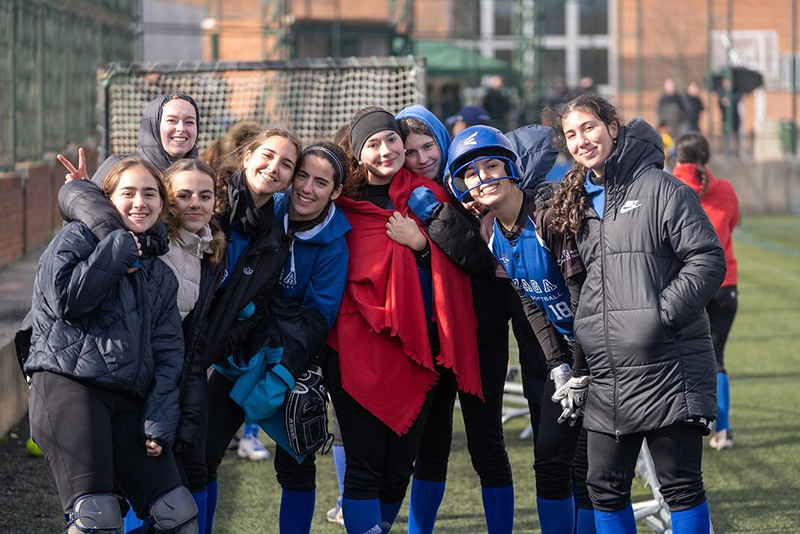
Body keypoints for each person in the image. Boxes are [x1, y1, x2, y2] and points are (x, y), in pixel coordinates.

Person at [545, 93, 726, 533]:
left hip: (668, 368)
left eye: (589, 127)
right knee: (603, 487)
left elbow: (707, 259)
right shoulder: (577, 201)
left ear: (612, 127)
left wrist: (658, 317)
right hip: (608, 376)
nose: (582, 140)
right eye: (571, 134)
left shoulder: (662, 188)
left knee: (680, 486)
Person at [327, 106, 482, 534]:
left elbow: (465, 263)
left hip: (416, 349)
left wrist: (422, 246)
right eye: (373, 145)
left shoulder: (429, 196)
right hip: (354, 348)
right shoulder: (341, 203)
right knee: (363, 466)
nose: (386, 151)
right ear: (358, 154)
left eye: (391, 140)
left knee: (399, 468)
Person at [23, 156, 198, 533]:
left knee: (177, 515)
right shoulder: (75, 237)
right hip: (69, 386)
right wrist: (117, 248)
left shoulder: (160, 274)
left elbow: (169, 354)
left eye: (149, 194)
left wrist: (158, 418)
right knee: (97, 518)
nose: (140, 202)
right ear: (107, 200)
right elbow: (66, 302)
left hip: (128, 400)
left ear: (162, 205)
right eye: (128, 193)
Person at [445, 124, 594, 534]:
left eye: (491, 166)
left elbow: (582, 300)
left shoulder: (546, 217)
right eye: (470, 173)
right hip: (569, 357)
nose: (482, 178)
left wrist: (580, 370)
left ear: (511, 168)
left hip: (603, 353)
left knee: (592, 472)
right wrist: (558, 364)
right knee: (550, 462)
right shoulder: (489, 230)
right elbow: (529, 299)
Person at [206, 141, 351, 534]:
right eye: (302, 175)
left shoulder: (335, 244)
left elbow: (318, 318)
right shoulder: (268, 210)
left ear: (336, 191)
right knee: (202, 455)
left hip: (288, 363)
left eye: (321, 182)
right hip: (238, 353)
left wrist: (277, 357)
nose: (307, 188)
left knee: (296, 466)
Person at [200, 128, 302, 533]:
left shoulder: (275, 234)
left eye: (286, 164)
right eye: (268, 155)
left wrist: (224, 344)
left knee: (203, 459)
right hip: (172, 347)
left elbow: (255, 307)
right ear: (246, 157)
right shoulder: (210, 201)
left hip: (216, 354)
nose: (274, 167)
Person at [673, 132, 740, 451]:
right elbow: (732, 223)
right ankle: (723, 430)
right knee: (717, 359)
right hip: (725, 283)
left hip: (686, 284)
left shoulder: (669, 185)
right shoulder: (725, 188)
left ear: (677, 157)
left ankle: (679, 427)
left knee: (677, 358)